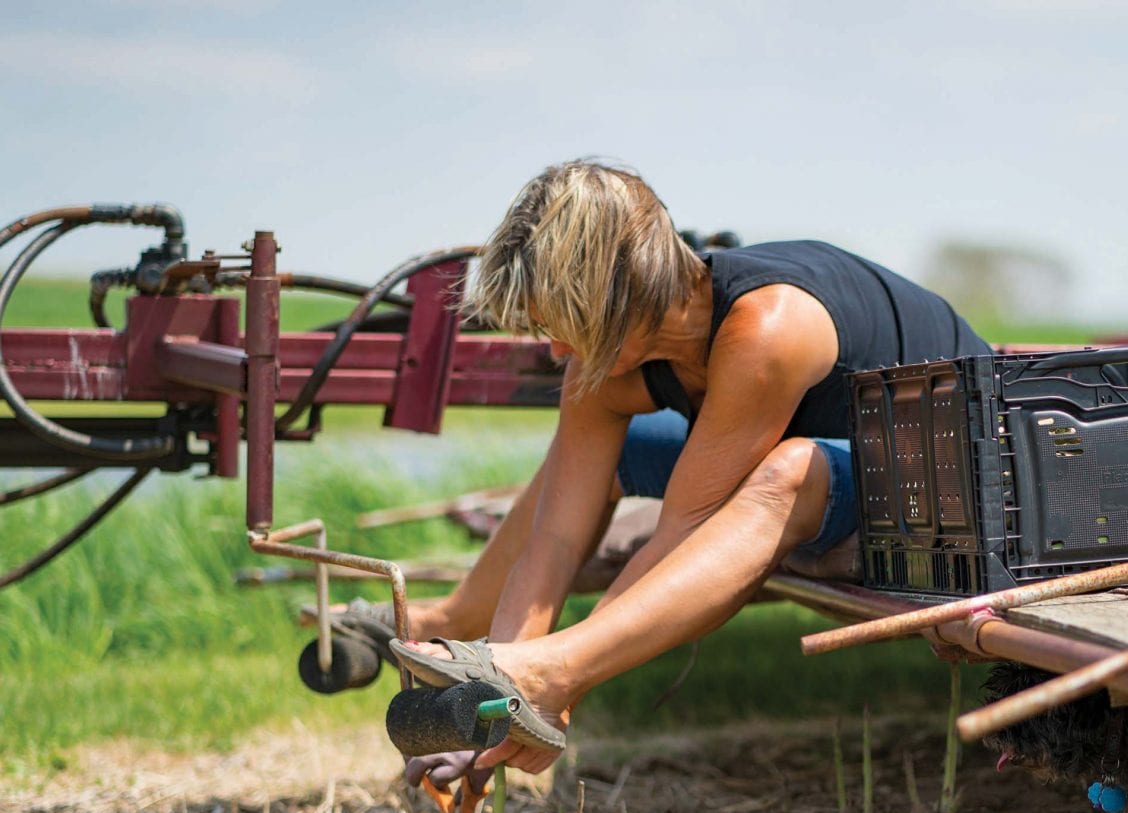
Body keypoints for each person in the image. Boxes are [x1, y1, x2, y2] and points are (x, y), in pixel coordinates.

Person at [380, 159, 989, 777]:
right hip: (848, 458)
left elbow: (682, 539)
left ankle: (553, 666)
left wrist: (559, 683)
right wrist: (496, 693)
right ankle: (476, 629)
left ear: (615, 295)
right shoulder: (602, 364)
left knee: (791, 471)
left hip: (957, 477)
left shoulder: (769, 327)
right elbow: (554, 541)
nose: (557, 349)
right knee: (612, 455)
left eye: (562, 321)